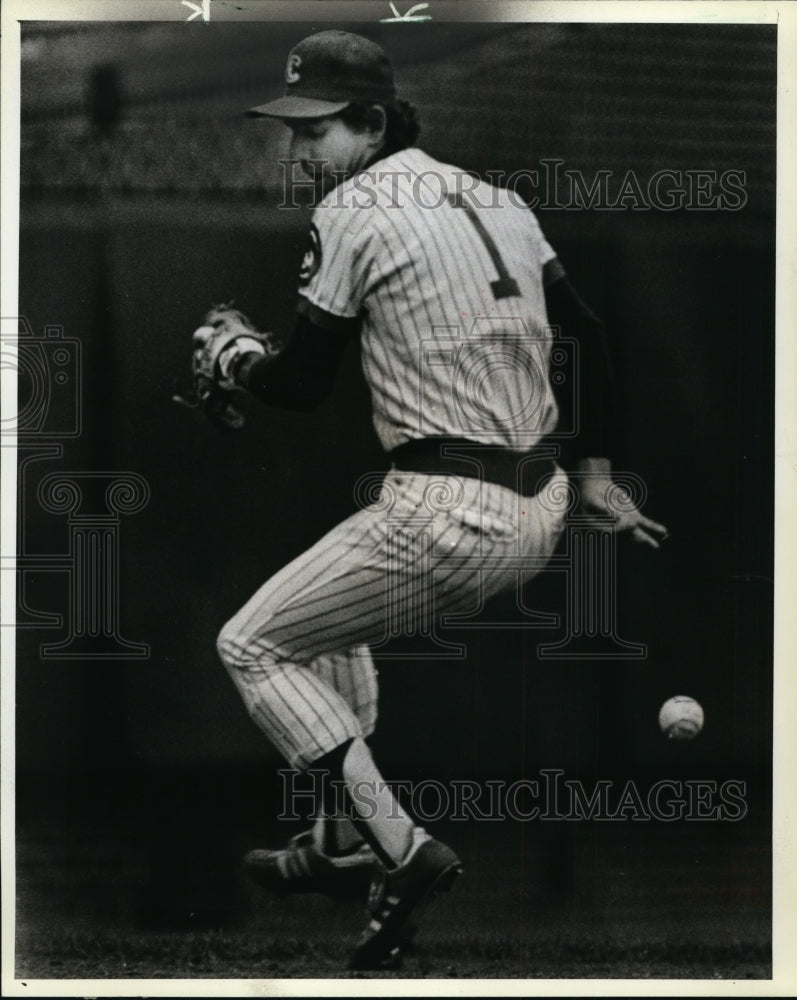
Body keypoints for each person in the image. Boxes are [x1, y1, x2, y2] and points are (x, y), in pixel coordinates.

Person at [204, 29, 667, 970]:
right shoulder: (495, 198)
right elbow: (588, 335)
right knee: (324, 628)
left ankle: (400, 850)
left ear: (372, 122)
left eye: (317, 129)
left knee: (250, 645)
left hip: (446, 512)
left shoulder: (355, 211)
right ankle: (338, 847)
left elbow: (298, 386)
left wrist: (235, 358)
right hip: (533, 508)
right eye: (292, 130)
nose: (299, 150)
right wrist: (594, 475)